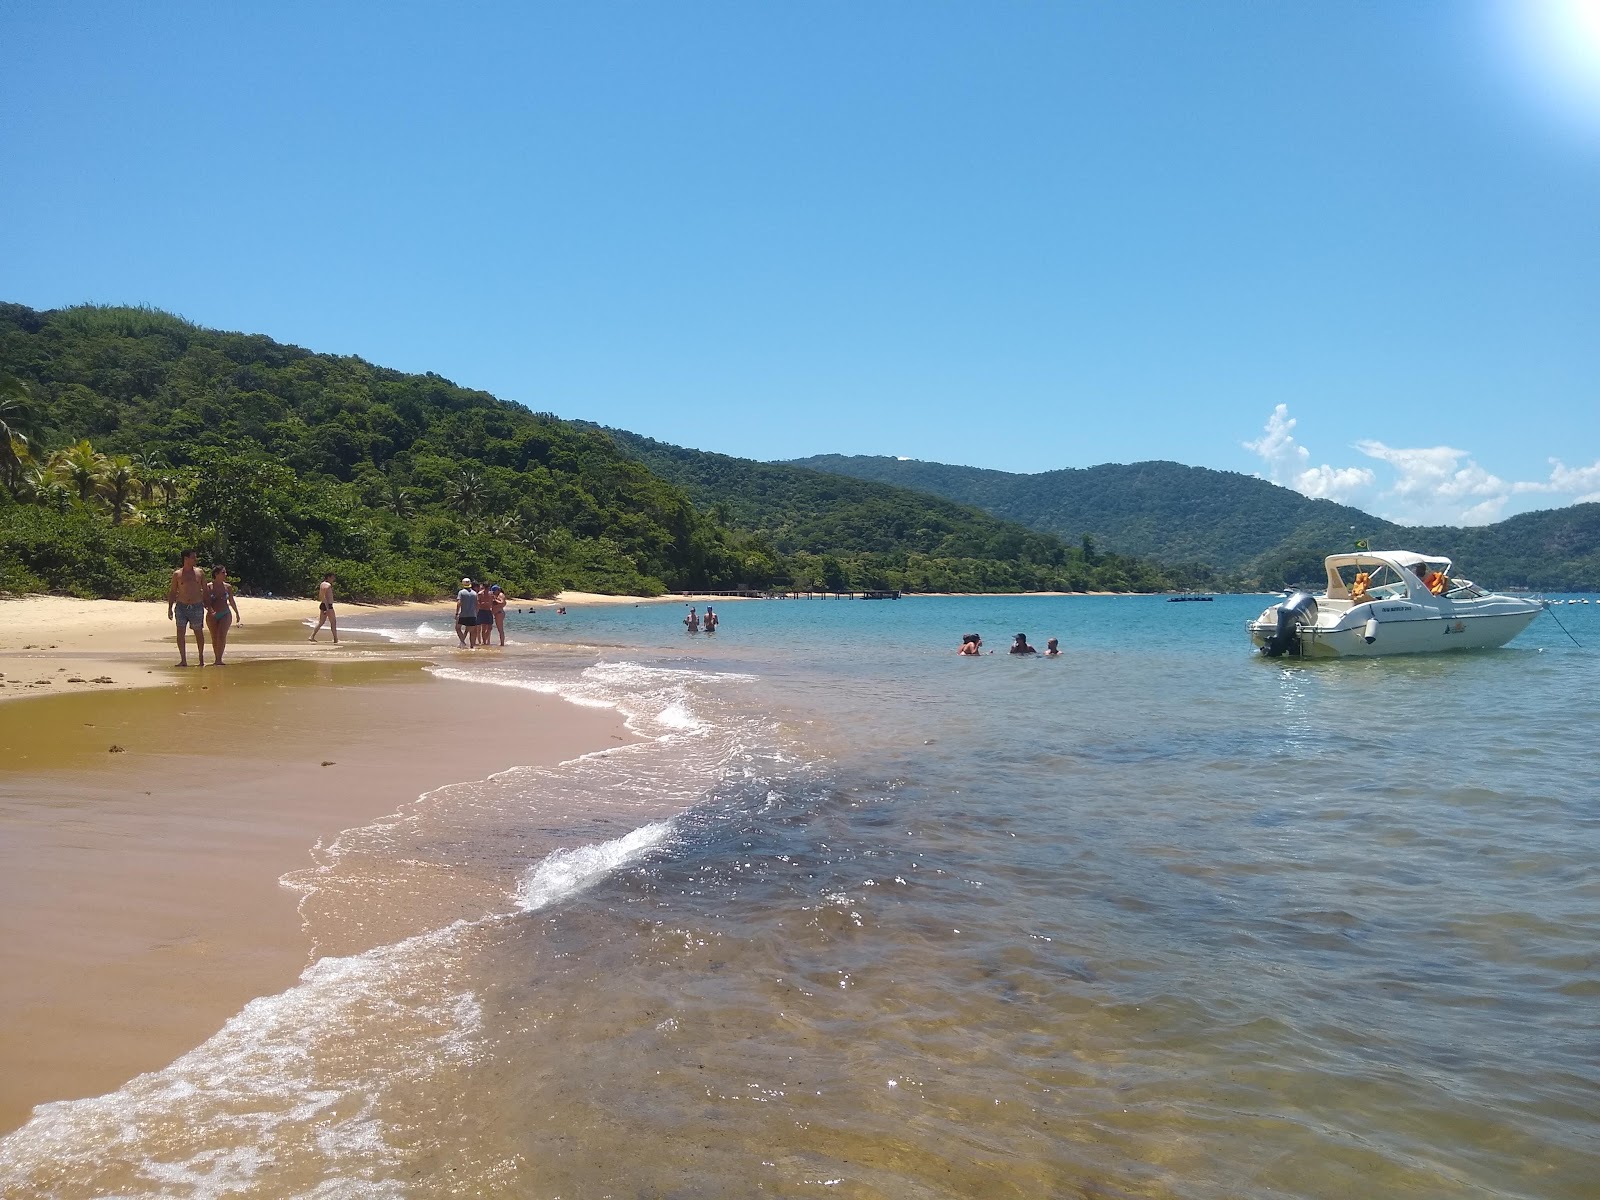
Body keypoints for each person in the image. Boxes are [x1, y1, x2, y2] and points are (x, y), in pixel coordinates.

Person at [166, 548, 207, 667]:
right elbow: (173, 591)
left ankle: (201, 658)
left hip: (197, 605)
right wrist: (170, 608)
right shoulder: (177, 574)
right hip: (181, 606)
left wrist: (208, 604)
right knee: (180, 633)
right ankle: (183, 660)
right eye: (193, 557)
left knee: (198, 632)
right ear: (186, 559)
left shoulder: (199, 572)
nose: (195, 559)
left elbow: (205, 589)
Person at [204, 565, 242, 665]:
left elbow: (231, 600)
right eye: (223, 573)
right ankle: (216, 657)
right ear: (216, 574)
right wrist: (211, 610)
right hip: (212, 615)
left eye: (225, 572)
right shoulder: (209, 587)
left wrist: (237, 613)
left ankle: (219, 659)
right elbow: (206, 601)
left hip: (225, 613)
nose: (225, 574)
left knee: (221, 636)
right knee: (214, 637)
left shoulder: (227, 587)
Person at [309, 573, 338, 643]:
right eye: (332, 578)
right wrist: (327, 608)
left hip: (323, 604)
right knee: (333, 622)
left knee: (321, 622)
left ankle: (312, 636)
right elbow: (324, 597)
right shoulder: (328, 585)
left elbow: (321, 596)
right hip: (328, 606)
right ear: (328, 577)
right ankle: (335, 639)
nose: (333, 579)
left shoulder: (322, 584)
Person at [456, 578, 478, 647]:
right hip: (472, 615)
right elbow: (477, 604)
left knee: (458, 628)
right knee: (472, 631)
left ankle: (463, 641)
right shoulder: (474, 593)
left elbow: (459, 602)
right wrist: (476, 613)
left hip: (463, 614)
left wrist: (457, 612)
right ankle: (472, 646)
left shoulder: (461, 592)